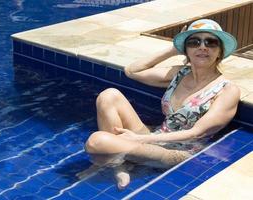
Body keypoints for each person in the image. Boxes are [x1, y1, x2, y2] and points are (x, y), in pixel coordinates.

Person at [81, 19, 240, 189]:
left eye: (211, 42)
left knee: (97, 142)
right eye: (194, 42)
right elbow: (132, 71)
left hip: (180, 152)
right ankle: (119, 166)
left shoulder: (227, 90)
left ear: (220, 52)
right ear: (186, 50)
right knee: (109, 95)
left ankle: (113, 160)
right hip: (157, 135)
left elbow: (196, 132)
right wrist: (172, 49)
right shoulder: (179, 73)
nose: (202, 47)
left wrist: (142, 138)